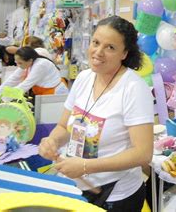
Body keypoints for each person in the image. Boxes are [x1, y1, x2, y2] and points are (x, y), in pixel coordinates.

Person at [38, 16, 154, 211]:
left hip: (115, 196)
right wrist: (52, 142)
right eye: (96, 43)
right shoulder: (84, 78)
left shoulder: (134, 88)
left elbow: (143, 153)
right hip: (76, 188)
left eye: (110, 47)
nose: (98, 52)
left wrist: (85, 166)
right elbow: (63, 127)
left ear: (124, 53)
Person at [0, 46, 68, 99]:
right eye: (16, 62)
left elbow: (25, 85)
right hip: (43, 93)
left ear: (30, 60)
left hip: (55, 94)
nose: (18, 65)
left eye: (20, 63)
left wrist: (1, 96)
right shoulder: (27, 62)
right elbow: (13, 78)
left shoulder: (40, 65)